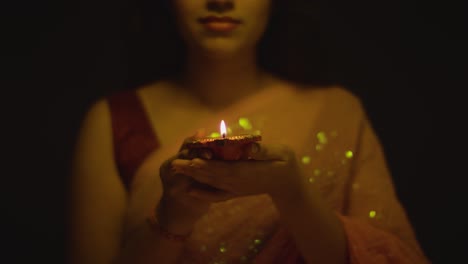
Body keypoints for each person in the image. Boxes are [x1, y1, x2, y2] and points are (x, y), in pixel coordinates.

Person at [67, 0, 431, 263]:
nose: (221, 2)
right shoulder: (116, 119)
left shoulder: (336, 111)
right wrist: (172, 218)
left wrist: (292, 194)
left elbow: (384, 255)